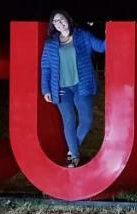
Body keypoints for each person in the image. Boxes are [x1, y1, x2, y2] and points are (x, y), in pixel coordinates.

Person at [39, 10, 105, 167]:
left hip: (81, 85)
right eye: (55, 21)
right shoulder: (50, 44)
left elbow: (101, 47)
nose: (59, 22)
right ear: (53, 25)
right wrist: (46, 89)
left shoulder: (83, 36)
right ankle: (74, 156)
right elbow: (46, 68)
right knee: (69, 121)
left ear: (68, 20)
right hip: (61, 89)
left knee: (86, 120)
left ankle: (71, 149)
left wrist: (117, 36)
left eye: (61, 19)